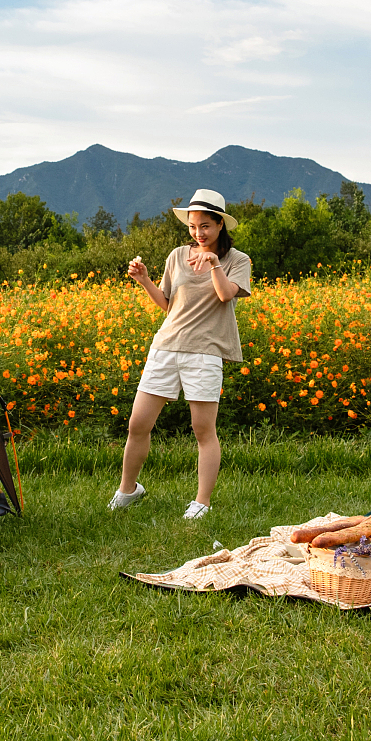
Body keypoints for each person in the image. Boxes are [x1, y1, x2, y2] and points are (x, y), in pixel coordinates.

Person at [108, 188, 253, 520]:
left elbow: (223, 295)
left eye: (205, 226)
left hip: (205, 353)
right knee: (138, 424)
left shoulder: (236, 260)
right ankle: (128, 490)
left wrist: (215, 263)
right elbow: (168, 305)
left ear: (220, 226)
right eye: (192, 226)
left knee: (203, 430)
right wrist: (145, 281)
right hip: (166, 346)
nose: (198, 233)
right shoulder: (176, 256)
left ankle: (201, 502)